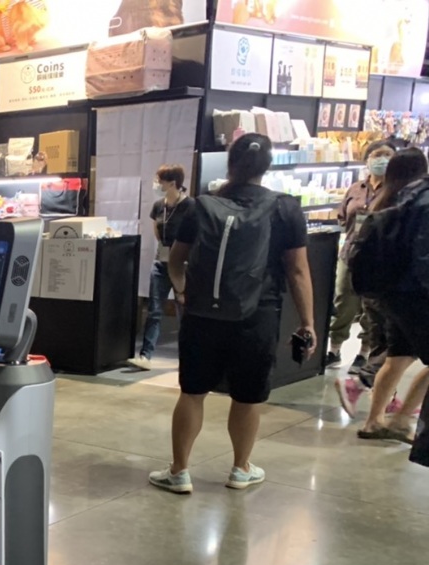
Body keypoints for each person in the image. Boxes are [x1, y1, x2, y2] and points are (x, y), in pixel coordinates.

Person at [150, 134, 317, 494]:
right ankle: (240, 469)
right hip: (258, 314)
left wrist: (182, 292)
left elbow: (175, 259)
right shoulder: (285, 208)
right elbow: (298, 271)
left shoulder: (201, 206)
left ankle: (179, 471)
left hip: (202, 314)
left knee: (192, 392)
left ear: (230, 164)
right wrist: (308, 323)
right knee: (247, 395)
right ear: (267, 166)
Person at [355, 148, 429, 443]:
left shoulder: (393, 196)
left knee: (398, 356)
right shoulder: (424, 199)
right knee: (400, 356)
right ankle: (401, 419)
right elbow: (424, 257)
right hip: (417, 294)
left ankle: (374, 422)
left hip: (390, 294)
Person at [327, 140, 395, 370]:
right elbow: (342, 216)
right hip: (350, 252)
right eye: (376, 156)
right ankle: (334, 349)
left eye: (386, 156)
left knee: (371, 307)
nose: (381, 161)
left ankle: (364, 352)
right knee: (343, 300)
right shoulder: (356, 188)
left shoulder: (395, 191)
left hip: (378, 257)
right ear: (367, 161)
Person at [129, 163, 194, 370]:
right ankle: (145, 355)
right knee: (154, 310)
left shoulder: (190, 206)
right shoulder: (158, 206)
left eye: (160, 181)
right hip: (161, 262)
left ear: (173, 183)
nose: (157, 184)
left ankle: (188, 358)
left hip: (182, 264)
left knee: (183, 310)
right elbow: (157, 231)